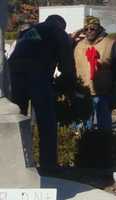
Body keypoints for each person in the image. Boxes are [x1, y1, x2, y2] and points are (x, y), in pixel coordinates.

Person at [8, 15, 76, 169]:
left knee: (17, 120)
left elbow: (15, 55)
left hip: (15, 76)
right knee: (46, 122)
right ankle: (48, 165)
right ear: (61, 25)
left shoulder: (31, 31)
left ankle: (14, 163)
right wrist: (68, 89)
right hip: (38, 76)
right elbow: (68, 66)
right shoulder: (58, 33)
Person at [74, 16, 116, 132]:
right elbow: (74, 68)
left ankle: (105, 146)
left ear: (99, 28)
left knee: (104, 127)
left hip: (103, 93)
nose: (89, 31)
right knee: (84, 127)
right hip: (83, 92)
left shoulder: (110, 44)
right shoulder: (79, 46)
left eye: (92, 28)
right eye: (86, 29)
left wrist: (115, 89)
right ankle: (85, 146)